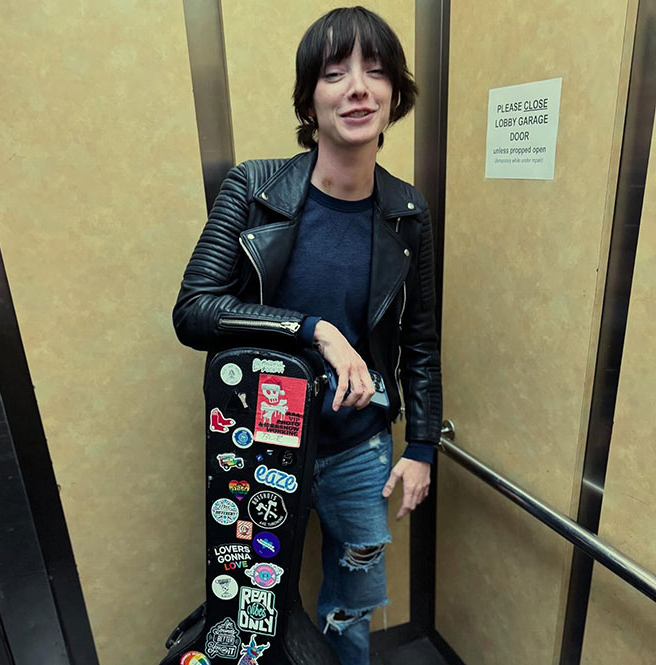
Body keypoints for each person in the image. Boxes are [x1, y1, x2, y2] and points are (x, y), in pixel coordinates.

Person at [173, 7, 442, 665]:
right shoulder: (256, 186)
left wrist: (423, 446)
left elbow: (422, 338)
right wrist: (313, 329)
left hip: (360, 450)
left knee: (350, 609)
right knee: (251, 611)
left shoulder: (408, 210)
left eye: (376, 71)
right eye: (335, 72)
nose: (358, 87)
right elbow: (195, 309)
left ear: (395, 94)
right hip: (264, 441)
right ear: (310, 97)